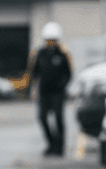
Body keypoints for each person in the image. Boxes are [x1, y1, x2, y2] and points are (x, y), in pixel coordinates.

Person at [24, 21, 72, 156]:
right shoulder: (39, 54)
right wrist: (30, 89)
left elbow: (68, 74)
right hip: (44, 93)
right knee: (42, 118)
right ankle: (51, 145)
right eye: (48, 40)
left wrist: (62, 85)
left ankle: (59, 147)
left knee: (58, 119)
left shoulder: (62, 55)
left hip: (58, 93)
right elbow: (34, 72)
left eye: (53, 40)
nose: (50, 43)